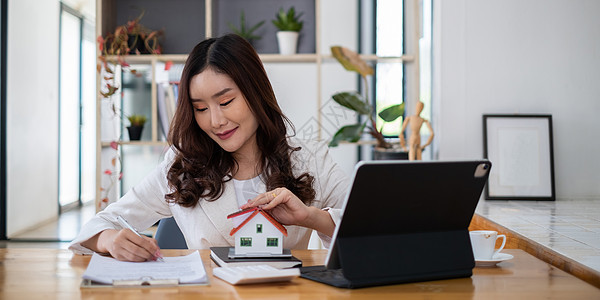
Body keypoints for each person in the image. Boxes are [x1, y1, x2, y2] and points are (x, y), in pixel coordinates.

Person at [69, 34, 349, 262]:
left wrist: (311, 217)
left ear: (256, 93)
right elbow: (101, 223)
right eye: (200, 108)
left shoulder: (309, 158)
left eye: (226, 102)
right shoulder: (181, 166)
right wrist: (108, 238)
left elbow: (372, 228)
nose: (215, 121)